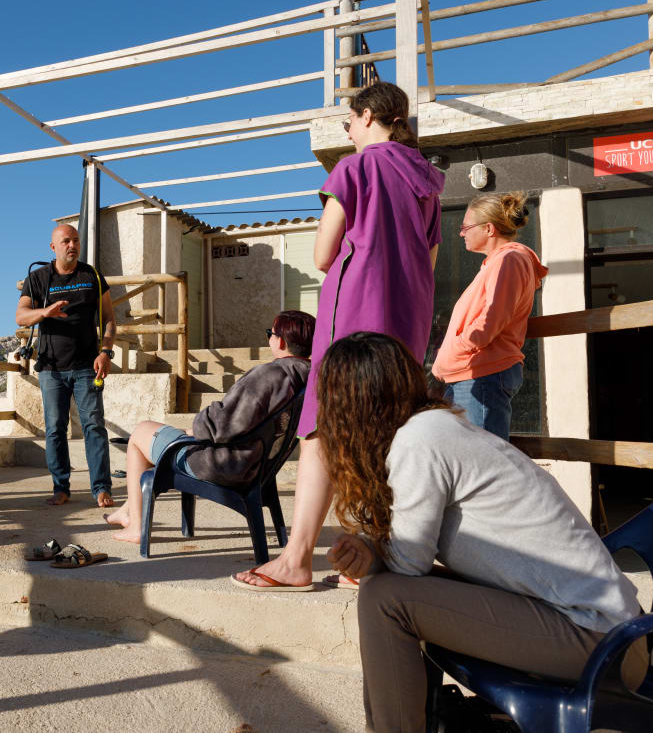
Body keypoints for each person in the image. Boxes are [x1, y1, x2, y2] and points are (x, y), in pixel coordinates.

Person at [321, 332, 648, 733]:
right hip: (604, 631)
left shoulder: (419, 441)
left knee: (385, 600)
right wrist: (372, 552)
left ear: (351, 406)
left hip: (600, 641)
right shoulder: (432, 428)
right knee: (384, 592)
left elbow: (408, 567)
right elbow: (411, 556)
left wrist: (375, 558)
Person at [234, 81, 444, 591]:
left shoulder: (353, 169)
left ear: (369, 116)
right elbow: (430, 260)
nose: (347, 131)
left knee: (323, 429)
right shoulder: (428, 180)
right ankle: (370, 554)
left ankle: (297, 559)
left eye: (348, 121)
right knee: (391, 430)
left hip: (353, 316)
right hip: (407, 323)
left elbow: (324, 255)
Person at [105, 310, 314, 543]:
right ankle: (127, 510)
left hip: (223, 464)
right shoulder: (308, 377)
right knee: (162, 436)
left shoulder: (271, 374)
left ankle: (136, 526)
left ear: (281, 341)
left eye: (270, 333)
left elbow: (222, 422)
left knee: (140, 434)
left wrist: (197, 429)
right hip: (256, 463)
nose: (269, 338)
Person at [431, 191, 548, 441]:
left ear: (489, 229)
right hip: (472, 373)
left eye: (466, 226)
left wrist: (456, 349)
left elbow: (491, 319)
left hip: (482, 372)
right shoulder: (499, 262)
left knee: (483, 464)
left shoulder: (509, 260)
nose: (461, 232)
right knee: (471, 462)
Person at [16, 224, 115, 507]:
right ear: (53, 247)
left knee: (94, 426)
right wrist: (44, 312)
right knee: (55, 429)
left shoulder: (92, 276)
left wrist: (105, 351)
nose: (72, 245)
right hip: (50, 368)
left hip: (87, 365)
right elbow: (20, 316)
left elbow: (109, 319)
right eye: (65, 241)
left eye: (75, 240)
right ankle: (61, 488)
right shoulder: (38, 278)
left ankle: (101, 488)